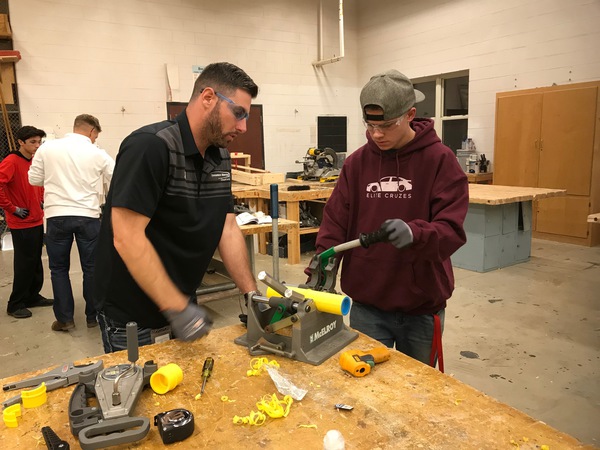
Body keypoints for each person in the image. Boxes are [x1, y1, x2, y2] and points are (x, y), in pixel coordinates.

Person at [94, 62, 260, 353]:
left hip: (182, 304)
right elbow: (127, 237)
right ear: (208, 97)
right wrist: (176, 307)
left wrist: (252, 296)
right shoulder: (150, 146)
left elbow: (227, 227)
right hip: (134, 316)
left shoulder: (220, 156)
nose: (244, 126)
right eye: (239, 113)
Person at [314, 69, 469, 367]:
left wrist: (417, 235)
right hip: (367, 307)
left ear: (410, 114)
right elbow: (335, 221)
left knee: (416, 392)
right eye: (370, 125)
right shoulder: (357, 164)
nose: (377, 134)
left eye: (386, 125)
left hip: (421, 309)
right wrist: (322, 265)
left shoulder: (440, 161)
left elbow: (451, 230)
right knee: (367, 393)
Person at [28, 114, 115, 332]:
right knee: (91, 268)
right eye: (96, 135)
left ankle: (65, 319)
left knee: (58, 269)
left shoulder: (47, 149)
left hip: (56, 215)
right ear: (92, 131)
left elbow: (34, 179)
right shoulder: (98, 153)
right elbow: (117, 176)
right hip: (88, 216)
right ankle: (92, 316)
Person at [0, 126, 53, 318]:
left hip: (35, 219)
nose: (37, 146)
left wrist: (40, 199)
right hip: (21, 222)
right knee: (24, 263)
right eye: (33, 142)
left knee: (35, 260)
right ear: (20, 142)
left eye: (39, 142)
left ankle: (32, 296)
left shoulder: (33, 161)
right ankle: (15, 304)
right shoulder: (11, 161)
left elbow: (36, 183)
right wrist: (12, 208)